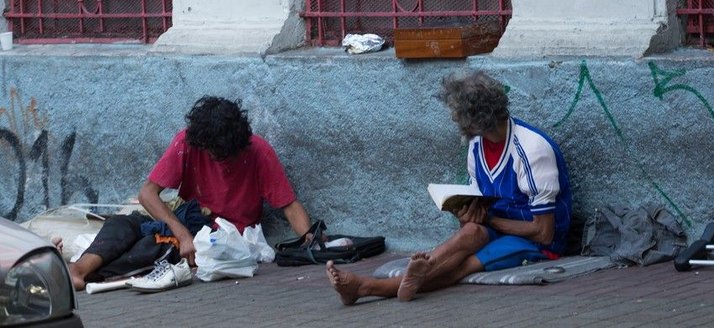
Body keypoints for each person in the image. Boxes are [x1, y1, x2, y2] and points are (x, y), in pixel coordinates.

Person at [326, 70, 573, 304]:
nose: (455, 121)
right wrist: (465, 214)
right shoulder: (477, 146)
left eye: (458, 116)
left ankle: (367, 288)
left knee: (464, 266)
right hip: (496, 226)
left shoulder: (531, 150)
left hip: (538, 243)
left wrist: (488, 221)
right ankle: (420, 268)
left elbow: (544, 232)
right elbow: (478, 209)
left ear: (476, 119)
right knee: (469, 233)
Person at [68, 96, 314, 290]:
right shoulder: (187, 142)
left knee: (153, 249)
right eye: (213, 152)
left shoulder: (258, 151)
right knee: (124, 224)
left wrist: (312, 240)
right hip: (188, 222)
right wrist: (183, 233)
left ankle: (86, 273)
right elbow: (148, 194)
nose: (219, 159)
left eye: (224, 153)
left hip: (218, 237)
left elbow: (289, 205)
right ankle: (78, 270)